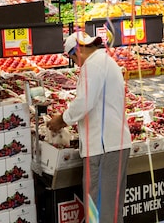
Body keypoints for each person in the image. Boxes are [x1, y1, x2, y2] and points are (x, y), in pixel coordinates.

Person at [48, 32, 131, 223]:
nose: (77, 64)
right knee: (111, 210)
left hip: (104, 148)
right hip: (113, 144)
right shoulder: (105, 61)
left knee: (100, 210)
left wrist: (61, 120)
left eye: (73, 58)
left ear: (78, 50)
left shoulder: (92, 65)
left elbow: (84, 102)